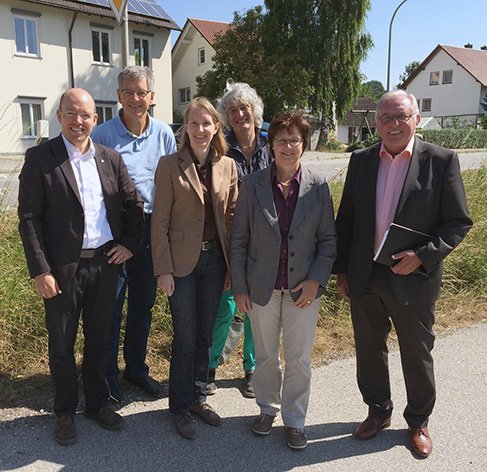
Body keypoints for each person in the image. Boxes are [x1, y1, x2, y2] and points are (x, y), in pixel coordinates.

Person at [333, 90, 472, 458]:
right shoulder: (361, 160)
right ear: (376, 122)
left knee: (416, 350)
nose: (394, 124)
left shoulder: (441, 161)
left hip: (413, 277)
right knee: (368, 349)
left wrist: (423, 256)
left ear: (416, 119)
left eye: (401, 117)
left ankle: (418, 421)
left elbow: (457, 222)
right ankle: (378, 410)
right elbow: (346, 219)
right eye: (386, 118)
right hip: (366, 275)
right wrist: (342, 271)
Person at [18, 88, 144, 446]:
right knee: (62, 344)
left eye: (86, 115)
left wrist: (129, 246)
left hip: (105, 266)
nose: (79, 121)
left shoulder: (109, 157)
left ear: (95, 119)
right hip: (61, 271)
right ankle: (64, 411)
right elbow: (28, 218)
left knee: (100, 341)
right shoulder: (41, 158)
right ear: (59, 116)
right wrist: (40, 270)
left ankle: (97, 404)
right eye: (71, 114)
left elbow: (135, 205)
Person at [230, 112, 337, 450]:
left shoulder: (318, 186)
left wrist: (316, 281)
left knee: (299, 358)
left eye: (294, 140)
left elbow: (328, 241)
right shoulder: (251, 184)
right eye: (281, 140)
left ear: (303, 144)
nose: (288, 146)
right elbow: (239, 241)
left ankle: (295, 420)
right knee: (264, 355)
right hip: (261, 286)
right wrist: (240, 287)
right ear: (270, 144)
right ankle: (266, 408)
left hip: (303, 289)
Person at [151, 97, 238, 440]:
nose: (200, 129)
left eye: (207, 123)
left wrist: (233, 268)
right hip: (182, 265)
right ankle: (179, 407)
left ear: (217, 126)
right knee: (186, 337)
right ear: (185, 127)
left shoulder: (228, 166)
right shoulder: (170, 165)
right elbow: (159, 222)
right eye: (193, 123)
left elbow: (231, 220)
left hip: (216, 262)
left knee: (205, 335)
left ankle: (199, 397)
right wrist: (163, 270)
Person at [91, 66, 177, 401]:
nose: (135, 99)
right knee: (111, 309)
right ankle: (107, 376)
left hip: (152, 232)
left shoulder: (163, 134)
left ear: (151, 97)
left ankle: (136, 370)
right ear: (118, 97)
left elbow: (171, 186)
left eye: (141, 92)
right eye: (128, 92)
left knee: (142, 306)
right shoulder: (104, 134)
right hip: (115, 235)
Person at [205, 82, 272, 398]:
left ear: (254, 110)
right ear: (226, 116)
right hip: (230, 238)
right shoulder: (220, 148)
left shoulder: (271, 143)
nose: (239, 114)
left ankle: (251, 369)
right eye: (232, 110)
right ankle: (210, 366)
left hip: (266, 239)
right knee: (226, 306)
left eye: (244, 108)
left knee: (257, 309)